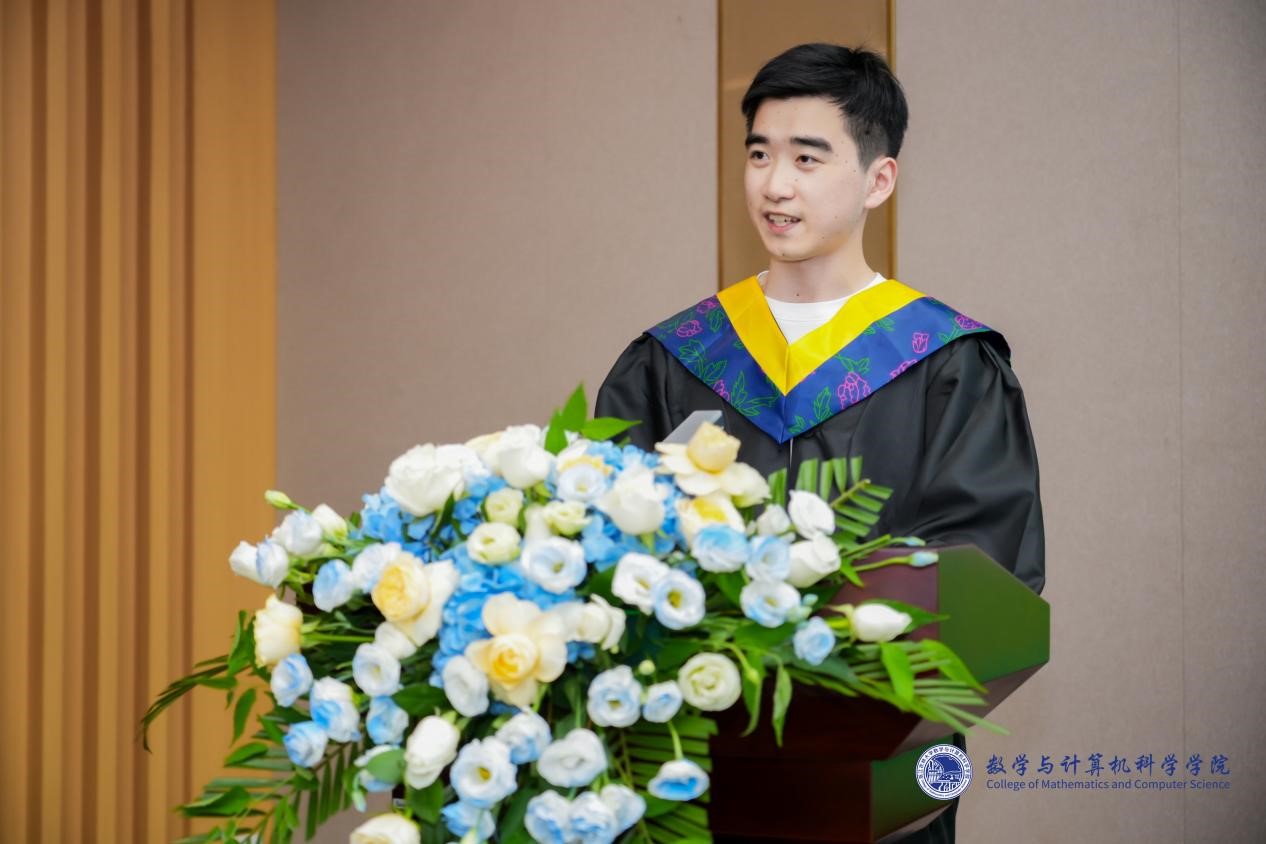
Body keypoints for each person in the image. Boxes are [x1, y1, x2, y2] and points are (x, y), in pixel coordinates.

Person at [595, 43, 1044, 843]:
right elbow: (604, 549)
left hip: (879, 785)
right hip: (690, 780)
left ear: (878, 180)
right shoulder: (673, 358)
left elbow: (985, 570)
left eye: (807, 158)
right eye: (759, 155)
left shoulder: (947, 363)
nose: (775, 185)